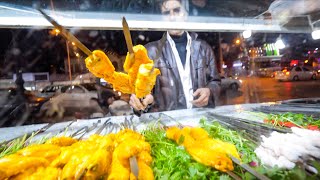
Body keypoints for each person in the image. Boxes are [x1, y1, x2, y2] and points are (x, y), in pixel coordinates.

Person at [129, 0, 221, 113]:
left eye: (177, 10)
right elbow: (142, 91)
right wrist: (142, 100)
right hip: (167, 125)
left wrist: (209, 91)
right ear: (161, 19)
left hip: (200, 121)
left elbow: (215, 81)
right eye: (166, 13)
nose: (172, 16)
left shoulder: (203, 48)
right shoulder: (150, 52)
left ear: (186, 15)